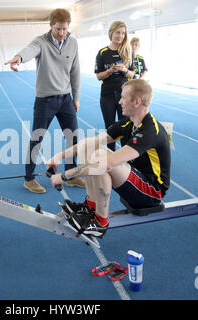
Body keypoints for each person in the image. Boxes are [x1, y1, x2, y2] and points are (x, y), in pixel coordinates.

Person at [47, 79, 171, 238]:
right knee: (90, 148)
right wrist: (58, 156)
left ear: (137, 101)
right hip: (134, 179)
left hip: (152, 193)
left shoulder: (150, 130)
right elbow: (89, 143)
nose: (119, 101)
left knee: (102, 159)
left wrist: (64, 176)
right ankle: (91, 207)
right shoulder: (129, 123)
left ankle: (100, 223)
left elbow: (108, 163)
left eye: (123, 97)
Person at [4, 8, 84, 193]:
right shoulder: (41, 41)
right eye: (58, 29)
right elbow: (30, 50)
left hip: (66, 99)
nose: (62, 33)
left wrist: (76, 98)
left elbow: (75, 71)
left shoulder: (72, 43)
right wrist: (19, 58)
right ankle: (29, 179)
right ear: (50, 26)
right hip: (45, 100)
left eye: (65, 29)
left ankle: (71, 175)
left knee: (73, 137)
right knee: (37, 138)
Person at [95, 21, 135, 152]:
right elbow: (98, 76)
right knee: (110, 128)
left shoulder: (128, 52)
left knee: (126, 127)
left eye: (123, 33)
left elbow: (132, 74)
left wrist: (124, 69)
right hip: (107, 95)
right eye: (118, 32)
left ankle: (126, 161)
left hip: (125, 96)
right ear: (111, 33)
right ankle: (110, 157)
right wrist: (109, 71)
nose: (120, 36)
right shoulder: (102, 53)